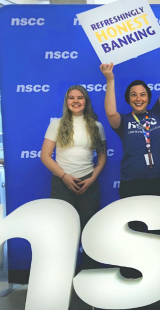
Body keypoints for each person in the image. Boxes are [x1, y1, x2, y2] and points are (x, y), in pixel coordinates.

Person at [100, 37, 160, 279]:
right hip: (132, 183)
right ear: (128, 98)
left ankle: (157, 275)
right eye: (134, 95)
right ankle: (133, 274)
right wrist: (110, 79)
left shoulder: (158, 114)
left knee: (157, 229)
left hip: (159, 181)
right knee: (134, 230)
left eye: (143, 94)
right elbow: (110, 111)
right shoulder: (123, 121)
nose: (138, 98)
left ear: (148, 98)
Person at [41, 85, 107, 270]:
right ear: (66, 101)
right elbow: (45, 155)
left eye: (80, 97)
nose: (76, 101)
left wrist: (92, 179)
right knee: (62, 232)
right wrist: (64, 176)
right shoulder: (57, 124)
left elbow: (102, 157)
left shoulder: (97, 126)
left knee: (89, 232)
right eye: (71, 98)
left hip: (88, 183)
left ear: (86, 101)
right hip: (62, 183)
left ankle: (90, 275)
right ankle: (60, 276)